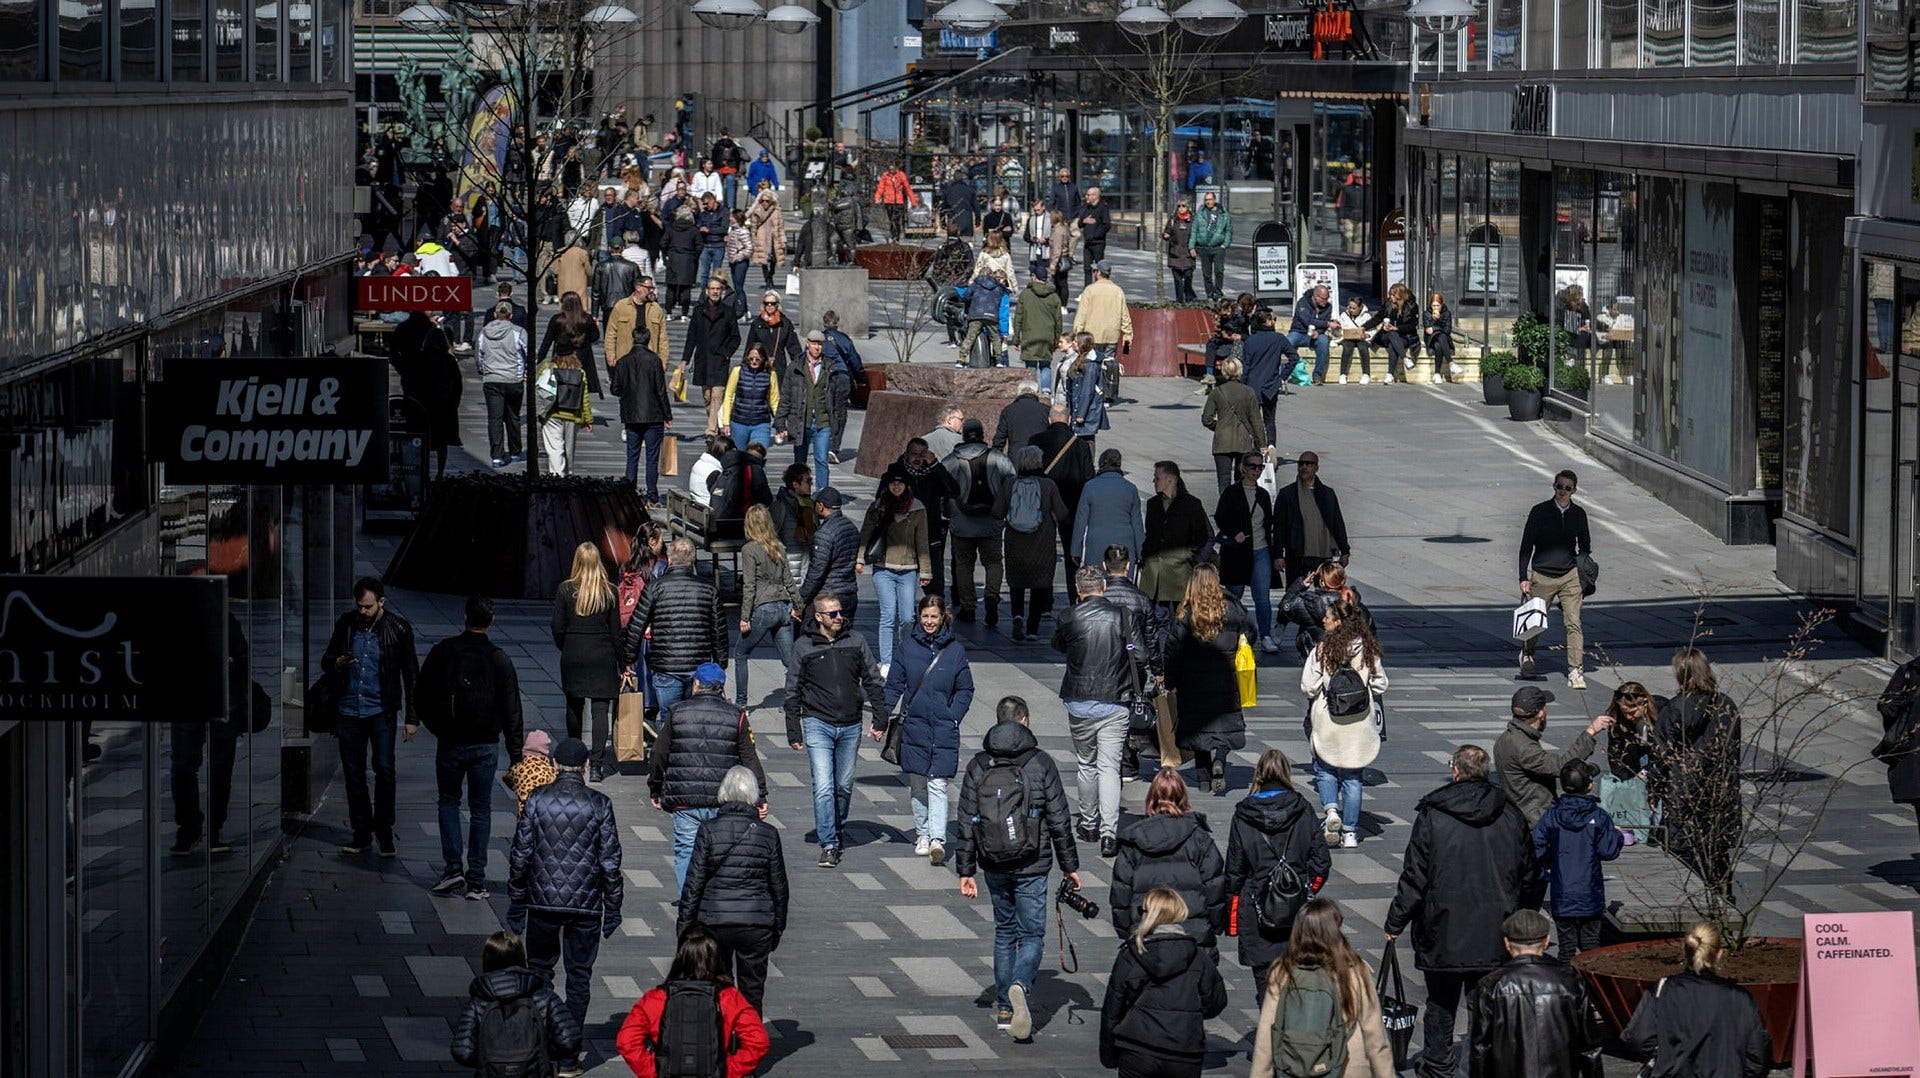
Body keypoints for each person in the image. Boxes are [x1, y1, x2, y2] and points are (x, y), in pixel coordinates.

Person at [1383, 745, 1534, 1078]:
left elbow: (1415, 875)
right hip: (1496, 928)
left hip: (1444, 927)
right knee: (1485, 1003)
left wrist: (1396, 921)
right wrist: (1522, 917)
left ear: (1455, 771)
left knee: (1440, 1002)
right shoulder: (1510, 813)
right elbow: (1530, 873)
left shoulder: (1434, 814)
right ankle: (1484, 1064)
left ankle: (1437, 1064)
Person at [954, 696, 1080, 1040]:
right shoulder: (1041, 763)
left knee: (1004, 932)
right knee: (1032, 935)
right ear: (1024, 721)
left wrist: (965, 870)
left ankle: (1005, 1008)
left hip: (993, 860)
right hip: (1032, 862)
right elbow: (1059, 818)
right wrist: (1070, 866)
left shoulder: (979, 764)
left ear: (998, 721)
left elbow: (966, 820)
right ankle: (1021, 985)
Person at [507, 736, 623, 1072]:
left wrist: (517, 899)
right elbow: (610, 861)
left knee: (540, 972)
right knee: (579, 978)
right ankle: (569, 1056)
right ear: (586, 766)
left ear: (555, 765)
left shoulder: (537, 800)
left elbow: (521, 853)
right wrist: (613, 904)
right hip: (586, 907)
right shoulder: (600, 804)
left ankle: (541, 1044)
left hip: (542, 902)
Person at [416, 596, 525, 899]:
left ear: (464, 617)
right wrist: (516, 755)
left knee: (448, 801)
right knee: (481, 808)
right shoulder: (499, 658)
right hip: (486, 744)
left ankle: (453, 868)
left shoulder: (444, 651)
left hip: (451, 741)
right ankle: (476, 878)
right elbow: (512, 709)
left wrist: (437, 727)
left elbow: (421, 693)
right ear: (491, 621)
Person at [785, 593, 888, 868]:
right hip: (817, 723)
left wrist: (880, 719)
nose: (839, 617)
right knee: (824, 786)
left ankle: (837, 826)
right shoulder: (803, 646)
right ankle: (828, 843)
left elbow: (873, 680)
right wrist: (794, 729)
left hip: (851, 724)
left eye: (840, 612)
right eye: (832, 613)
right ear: (818, 617)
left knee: (843, 784)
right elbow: (792, 689)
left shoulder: (856, 641)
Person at [1054, 567, 1151, 856]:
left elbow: (1058, 645)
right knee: (1110, 766)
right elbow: (1142, 655)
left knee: (1086, 762)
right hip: (1116, 698)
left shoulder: (1069, 616)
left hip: (1079, 700)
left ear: (1077, 587)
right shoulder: (1123, 616)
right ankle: (1109, 832)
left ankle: (1088, 822)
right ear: (1104, 586)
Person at [675, 766, 785, 1013]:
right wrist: (777, 926)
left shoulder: (708, 830)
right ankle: (749, 1044)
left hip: (715, 921)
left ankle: (720, 1041)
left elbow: (694, 883)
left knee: (718, 988)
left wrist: (684, 928)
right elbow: (779, 886)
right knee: (752, 991)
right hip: (756, 923)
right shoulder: (768, 834)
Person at [322, 577, 420, 857]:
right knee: (354, 775)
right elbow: (326, 659)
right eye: (360, 606)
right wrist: (338, 662)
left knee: (385, 770)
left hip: (381, 710)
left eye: (368, 606)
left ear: (381, 603)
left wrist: (412, 717)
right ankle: (361, 832)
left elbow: (411, 675)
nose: (363, 611)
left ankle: (385, 831)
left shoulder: (398, 629)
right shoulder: (347, 623)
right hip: (349, 709)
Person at [1248, 898, 1398, 1078]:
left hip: (1294, 1064)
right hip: (1347, 1065)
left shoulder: (1282, 971)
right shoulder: (1354, 970)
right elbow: (1375, 1037)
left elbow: (1266, 1036)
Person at [649, 663, 768, 890]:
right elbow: (749, 758)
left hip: (685, 799)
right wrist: (760, 796)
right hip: (721, 799)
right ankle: (713, 899)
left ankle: (688, 902)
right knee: (720, 851)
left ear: (695, 685)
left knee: (686, 850)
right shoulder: (737, 716)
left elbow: (658, 753)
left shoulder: (677, 712)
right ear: (722, 689)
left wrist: (655, 787)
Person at [1224, 750, 1332, 1000]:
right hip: (1296, 911)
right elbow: (1321, 862)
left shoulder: (1244, 815)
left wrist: (1232, 918)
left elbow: (1234, 871)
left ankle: (1268, 1031)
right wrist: (1309, 889)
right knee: (1298, 983)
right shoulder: (1302, 809)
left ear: (1258, 774)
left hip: (1256, 910)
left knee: (1265, 985)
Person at [1097, 888, 1228, 1078]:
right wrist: (1189, 1014)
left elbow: (1113, 1009)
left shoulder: (1132, 954)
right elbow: (1216, 1002)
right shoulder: (1198, 956)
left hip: (1138, 1048)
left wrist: (1109, 1055)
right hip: (1184, 1051)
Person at [1619, 921, 1772, 1078]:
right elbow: (1758, 1055)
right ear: (1719, 954)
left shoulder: (1662, 990)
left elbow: (1637, 1039)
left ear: (1685, 952)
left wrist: (1666, 1054)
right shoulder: (1740, 997)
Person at [613, 926, 771, 1078]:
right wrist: (726, 1071)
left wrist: (655, 1071)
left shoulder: (656, 998)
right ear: (717, 959)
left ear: (680, 957)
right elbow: (758, 1042)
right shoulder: (729, 998)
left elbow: (626, 1041)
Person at [886, 595, 975, 864]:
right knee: (918, 785)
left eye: (934, 617)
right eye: (925, 616)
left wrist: (954, 716)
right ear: (919, 616)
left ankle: (937, 839)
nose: (929, 622)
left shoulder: (955, 650)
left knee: (938, 783)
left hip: (943, 728)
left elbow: (965, 688)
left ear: (942, 617)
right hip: (915, 726)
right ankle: (922, 833)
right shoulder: (906, 647)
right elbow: (894, 685)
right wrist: (881, 719)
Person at [1467, 909, 1607, 1077]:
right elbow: (1590, 1047)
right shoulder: (1570, 982)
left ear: (1506, 943)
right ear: (1547, 941)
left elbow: (1480, 1048)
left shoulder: (1491, 985)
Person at [1652, 647, 1742, 899]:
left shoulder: (1675, 708)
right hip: (1720, 793)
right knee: (1716, 854)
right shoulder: (1726, 705)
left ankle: (1699, 906)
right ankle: (1723, 901)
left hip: (1684, 793)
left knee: (1684, 855)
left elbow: (1661, 754)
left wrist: (1655, 789)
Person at [1111, 770, 1227, 957]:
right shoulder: (1199, 839)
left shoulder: (1133, 841)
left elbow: (1121, 896)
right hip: (1193, 937)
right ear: (1183, 797)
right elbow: (1215, 890)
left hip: (1146, 935)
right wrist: (1213, 926)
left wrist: (1128, 932)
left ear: (1151, 799)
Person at [1302, 600, 1388, 848]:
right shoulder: (1367, 649)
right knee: (1353, 775)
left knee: (1325, 768)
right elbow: (1381, 684)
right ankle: (1350, 832)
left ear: (1338, 622)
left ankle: (1331, 813)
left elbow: (1308, 687)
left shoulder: (1322, 650)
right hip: (1358, 722)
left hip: (1329, 719)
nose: (1323, 620)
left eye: (1328, 617)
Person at [1163, 565, 1251, 796]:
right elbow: (1251, 633)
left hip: (1193, 680)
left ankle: (1203, 778)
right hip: (1226, 676)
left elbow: (1173, 650)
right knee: (1224, 723)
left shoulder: (1187, 613)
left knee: (1198, 729)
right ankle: (1220, 758)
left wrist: (1170, 681)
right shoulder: (1232, 608)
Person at [449, 930, 582, 1076]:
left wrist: (489, 1059)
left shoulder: (478, 1002)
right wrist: (542, 1052)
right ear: (521, 958)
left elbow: (462, 1051)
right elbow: (570, 1040)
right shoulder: (544, 996)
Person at [619, 537, 728, 711]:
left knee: (668, 717)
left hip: (666, 665)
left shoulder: (655, 588)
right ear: (692, 560)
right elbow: (719, 631)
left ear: (669, 559)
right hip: (698, 667)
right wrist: (720, 664)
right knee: (695, 716)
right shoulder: (709, 589)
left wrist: (629, 659)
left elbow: (636, 625)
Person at [1532, 760, 1622, 959]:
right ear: (1589, 785)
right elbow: (1608, 851)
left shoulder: (1552, 815)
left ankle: (1568, 985)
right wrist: (1617, 836)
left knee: (1566, 948)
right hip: (1590, 892)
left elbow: (1535, 846)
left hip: (1562, 891)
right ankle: (1591, 987)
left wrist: (1546, 868)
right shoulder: (1599, 816)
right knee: (1591, 946)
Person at [1517, 468, 1594, 688]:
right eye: (1559, 486)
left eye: (1567, 488)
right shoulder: (1539, 511)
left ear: (1574, 491)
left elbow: (1585, 545)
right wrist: (1524, 576)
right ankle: (1527, 654)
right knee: (1535, 623)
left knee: (1574, 623)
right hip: (1542, 575)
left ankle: (1576, 671)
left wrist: (1582, 569)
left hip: (1570, 576)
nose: (1562, 491)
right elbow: (1526, 546)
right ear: (1554, 487)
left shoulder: (1579, 514)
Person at [1495, 685, 1609, 828]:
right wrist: (1591, 732)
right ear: (1541, 713)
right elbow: (1563, 765)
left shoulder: (1506, 738)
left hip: (1517, 814)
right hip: (1533, 821)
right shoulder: (1524, 748)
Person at [858, 466, 934, 666]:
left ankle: (904, 656)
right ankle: (887, 661)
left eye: (900, 483)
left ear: (907, 485)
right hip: (883, 568)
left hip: (908, 569)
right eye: (893, 483)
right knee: (888, 616)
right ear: (887, 485)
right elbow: (865, 534)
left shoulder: (917, 508)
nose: (897, 486)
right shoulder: (879, 506)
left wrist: (925, 570)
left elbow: (922, 541)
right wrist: (859, 559)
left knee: (908, 617)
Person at [943, 418, 1015, 625]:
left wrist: (947, 511)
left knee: (964, 565)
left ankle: (968, 606)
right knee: (993, 562)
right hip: (991, 522)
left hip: (962, 523)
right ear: (983, 434)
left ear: (964, 435)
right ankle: (992, 596)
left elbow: (942, 487)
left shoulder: (952, 460)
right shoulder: (997, 458)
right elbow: (1011, 480)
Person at [995, 446, 1070, 641]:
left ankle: (1017, 616)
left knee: (1016, 583)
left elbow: (997, 512)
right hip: (1042, 542)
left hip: (1015, 541)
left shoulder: (1009, 484)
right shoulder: (1048, 485)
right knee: (1040, 583)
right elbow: (1062, 513)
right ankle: (1033, 629)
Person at [1214, 449, 1278, 652]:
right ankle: (1230, 633)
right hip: (1237, 553)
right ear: (1242, 468)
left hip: (1261, 550)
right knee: (1234, 597)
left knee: (1262, 598)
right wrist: (1234, 534)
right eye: (1252, 466)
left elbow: (1269, 525)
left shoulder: (1263, 494)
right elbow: (1220, 517)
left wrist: (1276, 553)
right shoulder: (1232, 493)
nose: (1256, 470)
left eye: (1260, 467)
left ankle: (1266, 636)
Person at [736, 505, 797, 708]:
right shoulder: (779, 547)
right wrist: (799, 605)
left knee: (740, 653)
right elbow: (789, 580)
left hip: (763, 608)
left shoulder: (749, 549)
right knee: (790, 661)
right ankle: (793, 701)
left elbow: (749, 586)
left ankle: (742, 702)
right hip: (783, 608)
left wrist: (745, 617)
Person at [610, 320, 672, 505]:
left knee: (632, 456)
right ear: (648, 340)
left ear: (632, 339)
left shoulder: (623, 362)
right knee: (652, 458)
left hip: (631, 415)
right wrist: (667, 415)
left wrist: (627, 392)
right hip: (653, 415)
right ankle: (652, 495)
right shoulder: (654, 360)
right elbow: (661, 390)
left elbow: (615, 389)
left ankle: (629, 492)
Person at [896, 437, 961, 601]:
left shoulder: (933, 474)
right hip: (903, 537)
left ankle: (936, 615)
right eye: (914, 454)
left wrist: (935, 464)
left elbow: (953, 490)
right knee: (903, 586)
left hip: (930, 536)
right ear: (906, 455)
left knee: (935, 585)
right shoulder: (896, 473)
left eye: (922, 454)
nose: (918, 458)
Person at [1274, 452, 1352, 585]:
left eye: (1309, 464)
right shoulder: (1287, 494)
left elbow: (1337, 523)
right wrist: (1278, 555)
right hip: (1297, 554)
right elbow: (1279, 527)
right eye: (1301, 464)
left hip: (1324, 554)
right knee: (1294, 593)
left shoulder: (1328, 493)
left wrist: (1345, 551)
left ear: (1316, 467)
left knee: (1325, 592)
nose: (1304, 467)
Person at [1141, 460, 1212, 607]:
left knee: (1178, 618)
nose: (1154, 481)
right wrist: (1145, 556)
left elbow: (1202, 536)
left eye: (1157, 478)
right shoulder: (1153, 504)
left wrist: (1189, 559)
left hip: (1178, 574)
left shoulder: (1191, 504)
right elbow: (1150, 535)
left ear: (1170, 480)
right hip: (1153, 575)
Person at [776, 330, 837, 492]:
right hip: (801, 421)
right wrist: (780, 422)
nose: (817, 347)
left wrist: (836, 419)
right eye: (814, 344)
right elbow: (786, 396)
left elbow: (836, 397)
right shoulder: (795, 367)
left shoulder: (830, 367)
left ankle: (822, 494)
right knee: (800, 462)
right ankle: (798, 493)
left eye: (820, 344)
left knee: (821, 460)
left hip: (823, 421)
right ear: (807, 344)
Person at [682, 277, 744, 436]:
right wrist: (685, 360)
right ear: (707, 291)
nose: (715, 292)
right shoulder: (698, 311)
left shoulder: (728, 312)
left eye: (718, 289)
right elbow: (691, 337)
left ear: (722, 292)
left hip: (719, 360)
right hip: (702, 360)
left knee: (717, 395)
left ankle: (711, 430)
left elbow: (736, 337)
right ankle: (715, 422)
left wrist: (726, 353)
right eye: (712, 289)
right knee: (707, 397)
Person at [1601, 681, 1662, 840]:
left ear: (1645, 703)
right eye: (1625, 712)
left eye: (1633, 712)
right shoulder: (1619, 722)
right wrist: (1630, 781)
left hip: (1657, 762)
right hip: (1633, 765)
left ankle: (1655, 830)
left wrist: (1647, 773)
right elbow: (1615, 756)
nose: (1629, 717)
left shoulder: (1662, 712)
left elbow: (1664, 753)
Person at [1280, 561, 1371, 660]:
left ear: (1322, 582)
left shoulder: (1309, 602)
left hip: (1316, 656)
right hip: (1350, 657)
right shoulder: (1354, 602)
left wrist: (1300, 585)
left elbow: (1285, 606)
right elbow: (1370, 630)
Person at [1073, 449, 1145, 572]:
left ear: (1101, 463)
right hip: (1124, 544)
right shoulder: (1130, 488)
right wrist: (1141, 551)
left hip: (1097, 543)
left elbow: (1080, 521)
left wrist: (1076, 550)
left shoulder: (1090, 487)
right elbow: (1137, 524)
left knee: (1097, 583)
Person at [795, 485, 860, 622]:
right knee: (843, 638)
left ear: (820, 506)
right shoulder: (850, 526)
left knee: (815, 637)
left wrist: (800, 601)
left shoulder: (824, 534)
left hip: (829, 598)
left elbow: (816, 572)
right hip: (849, 594)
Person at [1202, 359, 1264, 495]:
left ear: (1224, 371)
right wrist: (1262, 445)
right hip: (1244, 441)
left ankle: (1225, 510)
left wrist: (1218, 427)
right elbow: (1256, 421)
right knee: (1241, 479)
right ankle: (1239, 508)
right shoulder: (1249, 392)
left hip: (1222, 442)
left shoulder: (1217, 392)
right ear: (1240, 371)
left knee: (1223, 481)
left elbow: (1206, 419)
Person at [477, 301, 528, 467]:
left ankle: (497, 456)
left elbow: (479, 356)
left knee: (495, 418)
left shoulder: (484, 333)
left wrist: (484, 370)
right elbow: (528, 351)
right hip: (513, 379)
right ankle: (515, 452)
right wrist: (526, 370)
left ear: (494, 314)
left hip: (492, 380)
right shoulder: (518, 332)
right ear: (511, 316)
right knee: (513, 416)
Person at [533, 340, 594, 476]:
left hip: (552, 414)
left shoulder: (548, 368)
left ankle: (557, 477)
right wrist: (588, 419)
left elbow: (538, 388)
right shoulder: (580, 372)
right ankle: (568, 475)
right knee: (569, 450)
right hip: (573, 415)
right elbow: (584, 398)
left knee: (555, 449)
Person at [1241, 310, 1295, 449]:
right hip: (1271, 386)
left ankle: (1254, 447)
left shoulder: (1250, 340)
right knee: (1270, 420)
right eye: (1273, 319)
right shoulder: (1279, 338)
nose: (1275, 321)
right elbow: (1294, 358)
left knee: (1251, 419)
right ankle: (1271, 447)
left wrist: (1242, 384)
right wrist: (1282, 377)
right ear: (1267, 322)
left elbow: (1246, 366)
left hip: (1251, 386)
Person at [819, 310, 867, 465]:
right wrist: (861, 379)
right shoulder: (845, 340)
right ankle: (834, 447)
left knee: (825, 410)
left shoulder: (818, 339)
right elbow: (855, 361)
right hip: (842, 378)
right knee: (840, 412)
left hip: (824, 378)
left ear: (824, 322)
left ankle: (824, 444)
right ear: (837, 322)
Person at [1072, 262, 1133, 372]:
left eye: (1095, 271)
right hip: (1112, 336)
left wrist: (1077, 334)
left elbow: (1082, 315)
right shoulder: (1118, 291)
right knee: (1108, 364)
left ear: (1099, 272)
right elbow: (1125, 317)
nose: (1094, 273)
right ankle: (1105, 386)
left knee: (1091, 365)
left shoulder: (1090, 290)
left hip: (1092, 335)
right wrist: (1127, 340)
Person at [1013, 273, 1065, 390]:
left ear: (1034, 277)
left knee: (1031, 365)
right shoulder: (1054, 296)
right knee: (1045, 364)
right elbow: (1058, 321)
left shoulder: (1025, 294)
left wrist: (1016, 338)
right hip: (1047, 336)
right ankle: (1046, 391)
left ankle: (1032, 390)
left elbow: (1018, 318)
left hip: (1029, 336)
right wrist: (1056, 341)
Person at [1060, 332, 1112, 445]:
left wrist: (1081, 414)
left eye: (1076, 341)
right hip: (1077, 406)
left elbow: (1087, 391)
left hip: (1087, 411)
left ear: (1082, 344)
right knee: (1080, 440)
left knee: (1086, 440)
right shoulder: (1081, 359)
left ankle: (1087, 462)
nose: (1073, 343)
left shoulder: (1091, 364)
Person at [771, 462, 817, 585]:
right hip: (787, 562)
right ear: (795, 484)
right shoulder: (780, 507)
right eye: (808, 481)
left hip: (805, 562)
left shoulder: (809, 505)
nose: (811, 485)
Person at [504, 730, 558, 819]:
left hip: (524, 815)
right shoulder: (549, 771)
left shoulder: (519, 769)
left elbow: (508, 779)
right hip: (544, 815)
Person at [1288, 283, 1334, 385]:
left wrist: (1319, 332)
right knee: (1288, 341)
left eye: (1327, 298)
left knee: (1323, 341)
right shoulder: (1303, 303)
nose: (1326, 301)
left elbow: (1324, 324)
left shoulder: (1328, 307)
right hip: (1299, 331)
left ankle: (1317, 375)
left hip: (1316, 334)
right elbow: (1307, 321)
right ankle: (1282, 373)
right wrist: (1327, 324)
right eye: (1324, 299)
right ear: (1316, 296)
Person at [1334, 296, 1385, 385]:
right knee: (1347, 349)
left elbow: (1373, 330)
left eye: (1354, 308)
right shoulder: (1343, 315)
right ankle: (1343, 374)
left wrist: (1367, 335)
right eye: (1350, 307)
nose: (1351, 310)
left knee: (1363, 348)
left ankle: (1366, 374)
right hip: (1348, 338)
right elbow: (1340, 330)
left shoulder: (1366, 316)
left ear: (1360, 307)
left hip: (1362, 338)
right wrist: (1339, 329)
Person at [1192, 190, 1232, 301]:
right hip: (1204, 248)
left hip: (1218, 247)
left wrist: (1225, 244)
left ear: (1214, 200)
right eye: (1206, 200)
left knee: (1219, 271)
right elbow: (1194, 230)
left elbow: (1228, 230)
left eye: (1210, 199)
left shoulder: (1223, 213)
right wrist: (1192, 246)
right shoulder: (1200, 213)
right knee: (1207, 274)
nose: (1208, 202)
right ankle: (1210, 295)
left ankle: (1218, 293)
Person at [992, 379, 1050, 455]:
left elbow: (999, 439)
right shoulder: (1046, 410)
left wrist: (994, 458)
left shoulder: (1008, 410)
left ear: (1018, 392)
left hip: (1016, 457)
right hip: (1040, 457)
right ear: (1036, 392)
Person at [1162, 200, 1197, 303]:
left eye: (1183, 206)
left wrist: (1194, 248)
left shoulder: (1193, 221)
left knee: (1188, 277)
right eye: (1179, 206)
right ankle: (1180, 301)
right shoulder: (1173, 220)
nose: (1181, 208)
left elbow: (1196, 236)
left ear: (1188, 208)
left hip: (1188, 254)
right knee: (1177, 280)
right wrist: (1165, 235)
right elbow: (1167, 231)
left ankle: (1189, 296)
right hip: (1175, 254)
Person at [1078, 187, 1112, 286]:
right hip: (1088, 243)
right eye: (1086, 194)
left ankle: (1099, 287)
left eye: (1089, 195)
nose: (1086, 197)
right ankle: (1087, 289)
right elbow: (1080, 223)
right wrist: (1084, 221)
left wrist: (1095, 235)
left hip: (1098, 243)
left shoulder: (1103, 208)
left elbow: (1107, 225)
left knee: (1099, 268)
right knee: (1087, 268)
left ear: (1095, 196)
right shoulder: (1086, 207)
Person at [875, 162, 917, 242]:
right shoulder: (885, 176)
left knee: (896, 220)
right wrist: (877, 197)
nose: (892, 171)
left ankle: (896, 236)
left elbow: (907, 188)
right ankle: (893, 235)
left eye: (893, 169)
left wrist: (913, 201)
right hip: (888, 201)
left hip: (898, 201)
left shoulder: (901, 175)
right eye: (890, 169)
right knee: (891, 220)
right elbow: (880, 187)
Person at [687, 433, 730, 507]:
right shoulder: (715, 471)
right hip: (707, 506)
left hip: (697, 503)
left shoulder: (701, 462)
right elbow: (717, 493)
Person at [1423, 292, 1457, 381]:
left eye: (1438, 305)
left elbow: (1447, 330)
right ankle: (1451, 363)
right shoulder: (1426, 313)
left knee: (1438, 344)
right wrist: (1434, 322)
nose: (1436, 308)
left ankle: (1437, 373)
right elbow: (1428, 330)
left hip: (1444, 338)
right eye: (1434, 306)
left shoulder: (1446, 313)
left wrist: (1437, 323)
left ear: (1441, 305)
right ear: (1430, 305)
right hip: (1431, 339)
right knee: (1438, 336)